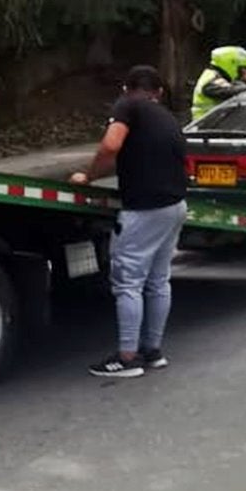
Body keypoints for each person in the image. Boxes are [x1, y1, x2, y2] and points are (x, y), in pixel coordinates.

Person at [72, 66, 188, 379]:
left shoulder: (128, 105)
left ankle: (126, 357)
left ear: (126, 88)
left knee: (128, 283)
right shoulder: (167, 116)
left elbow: (111, 145)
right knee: (158, 280)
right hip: (175, 205)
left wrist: (89, 175)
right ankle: (152, 351)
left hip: (144, 208)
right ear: (160, 92)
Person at [190, 46, 246, 121]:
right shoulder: (211, 78)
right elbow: (229, 91)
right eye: (242, 68)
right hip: (206, 125)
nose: (243, 72)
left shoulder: (220, 76)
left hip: (216, 123)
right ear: (231, 63)